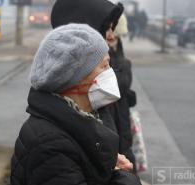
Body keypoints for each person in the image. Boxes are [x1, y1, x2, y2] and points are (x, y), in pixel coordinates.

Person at [10, 24, 141, 185]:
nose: (111, 73)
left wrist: (109, 168)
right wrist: (124, 177)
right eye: (105, 66)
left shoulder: (86, 116)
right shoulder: (50, 145)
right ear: (77, 78)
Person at [50, 0, 137, 168]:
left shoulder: (92, 103)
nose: (112, 36)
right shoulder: (55, 136)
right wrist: (123, 175)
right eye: (107, 28)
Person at [107, 14, 137, 171]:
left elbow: (123, 86)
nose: (112, 40)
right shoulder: (105, 59)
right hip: (112, 119)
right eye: (110, 38)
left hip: (121, 117)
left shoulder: (121, 59)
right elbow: (117, 85)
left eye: (116, 38)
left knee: (126, 159)